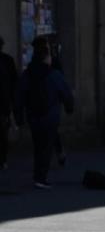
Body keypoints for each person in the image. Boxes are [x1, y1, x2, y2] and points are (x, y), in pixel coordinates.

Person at [13, 37, 73, 189]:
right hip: (50, 115)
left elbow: (19, 95)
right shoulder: (53, 74)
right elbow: (66, 92)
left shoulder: (28, 74)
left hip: (33, 115)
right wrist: (69, 107)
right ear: (46, 57)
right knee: (46, 147)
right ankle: (40, 177)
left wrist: (18, 117)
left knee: (38, 145)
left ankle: (38, 175)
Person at [0, 35, 17, 172]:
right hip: (4, 103)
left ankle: (3, 159)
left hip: (3, 103)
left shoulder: (7, 61)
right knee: (3, 133)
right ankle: (3, 159)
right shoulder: (7, 60)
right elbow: (13, 83)